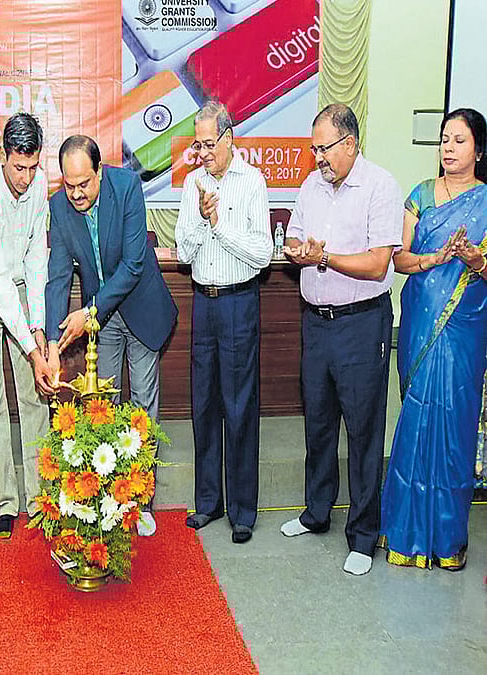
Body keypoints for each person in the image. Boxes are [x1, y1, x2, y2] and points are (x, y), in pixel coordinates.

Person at [280, 103, 402, 576]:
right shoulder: (311, 186)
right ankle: (316, 512)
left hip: (361, 323)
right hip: (316, 321)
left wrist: (325, 257)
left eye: (324, 149)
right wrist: (299, 252)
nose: (318, 159)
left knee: (364, 429)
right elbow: (293, 241)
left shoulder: (380, 187)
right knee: (319, 422)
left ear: (350, 143)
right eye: (314, 150)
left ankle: (364, 534)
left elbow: (377, 264)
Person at [45, 135, 178, 536]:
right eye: (69, 185)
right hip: (101, 320)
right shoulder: (59, 208)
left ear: (99, 172)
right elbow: (57, 276)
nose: (76, 193)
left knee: (141, 406)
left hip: (138, 309)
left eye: (84, 184)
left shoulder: (128, 188)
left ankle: (141, 502)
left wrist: (89, 311)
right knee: (103, 403)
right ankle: (106, 497)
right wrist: (52, 342)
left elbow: (135, 264)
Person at [379, 108, 487, 570]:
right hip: (423, 319)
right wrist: (434, 257)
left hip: (466, 329)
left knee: (455, 430)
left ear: (478, 150)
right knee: (418, 419)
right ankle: (404, 534)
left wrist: (474, 259)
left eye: (459, 140)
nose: (448, 147)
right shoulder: (420, 196)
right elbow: (399, 259)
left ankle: (447, 540)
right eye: (444, 139)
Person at [175, 101, 272, 544]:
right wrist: (200, 220)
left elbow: (261, 254)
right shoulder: (192, 182)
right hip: (204, 304)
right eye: (198, 145)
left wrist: (219, 224)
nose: (203, 152)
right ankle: (208, 503)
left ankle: (243, 510)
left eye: (210, 144)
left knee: (240, 406)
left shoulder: (252, 182)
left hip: (238, 303)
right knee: (205, 405)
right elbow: (182, 253)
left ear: (230, 138)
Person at [0, 113, 55, 538]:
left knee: (34, 398)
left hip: (21, 287)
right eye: (19, 167)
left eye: (33, 166)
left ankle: (40, 498)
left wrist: (36, 325)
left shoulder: (39, 187)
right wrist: (34, 349)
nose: (26, 176)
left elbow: (38, 259)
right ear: (2, 156)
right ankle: (5, 502)